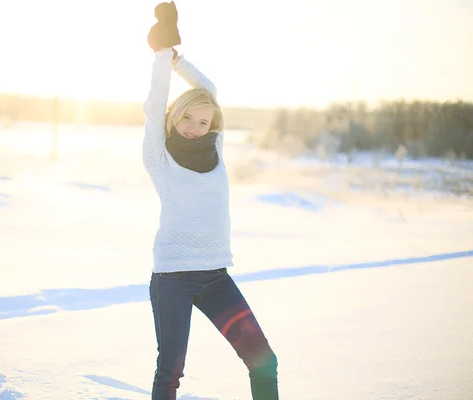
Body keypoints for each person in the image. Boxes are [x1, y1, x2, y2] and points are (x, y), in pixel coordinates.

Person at [142, 2, 279, 399]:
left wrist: (180, 59)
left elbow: (211, 93)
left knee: (262, 359)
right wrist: (162, 54)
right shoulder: (158, 155)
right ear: (174, 116)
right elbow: (154, 105)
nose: (194, 127)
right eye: (187, 118)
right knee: (171, 371)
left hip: (216, 278)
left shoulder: (214, 148)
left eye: (203, 122)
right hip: (173, 280)